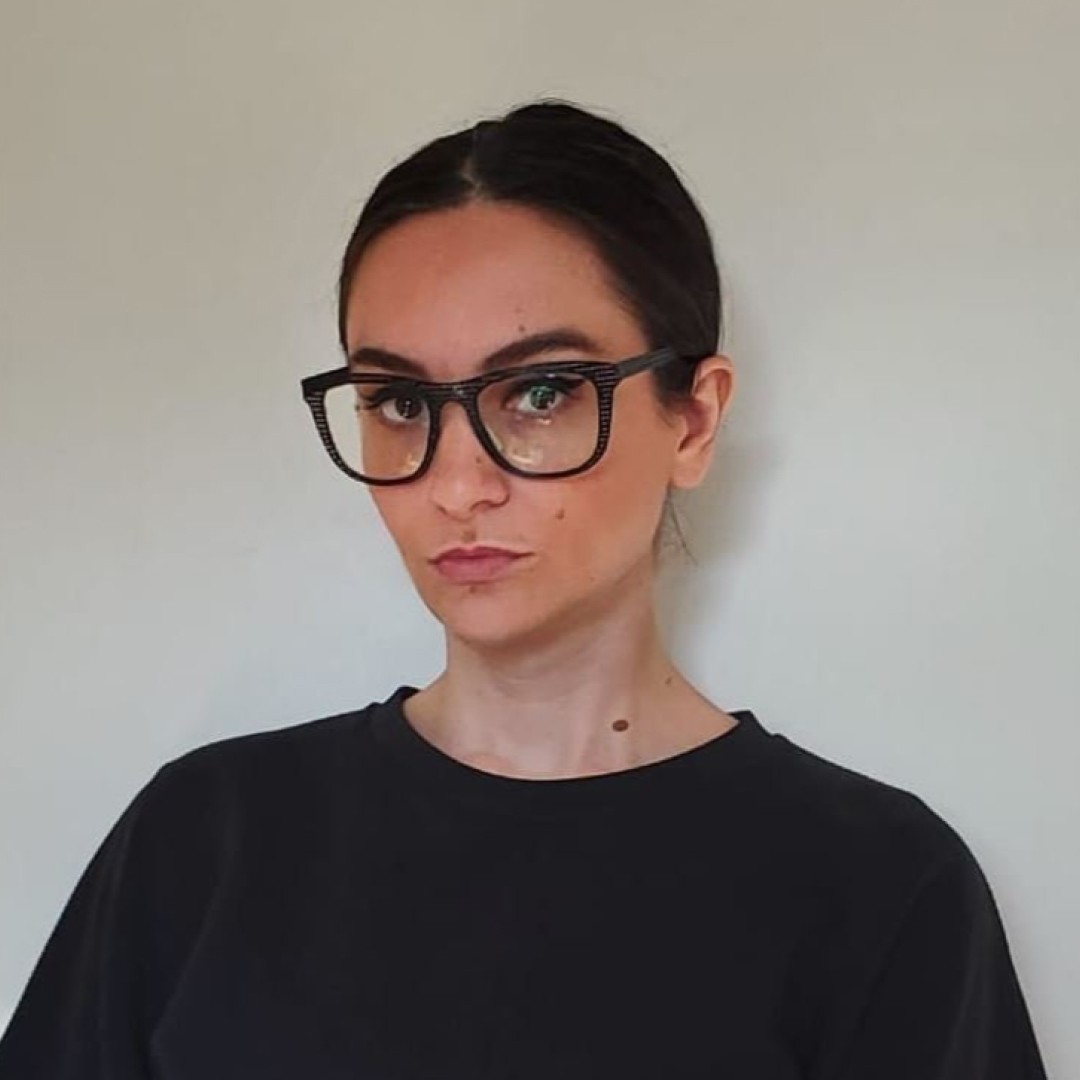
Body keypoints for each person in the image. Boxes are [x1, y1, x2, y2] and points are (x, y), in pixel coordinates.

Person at [0, 99, 1049, 1079]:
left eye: (542, 392)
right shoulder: (204, 843)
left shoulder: (880, 891)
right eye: (398, 401)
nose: (458, 484)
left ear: (693, 420)